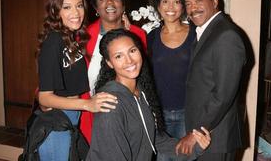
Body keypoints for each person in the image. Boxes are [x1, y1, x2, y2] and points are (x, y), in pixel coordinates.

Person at [86, 29, 211, 161]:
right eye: (118, 56)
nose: (129, 61)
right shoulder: (110, 103)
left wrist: (195, 146)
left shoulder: (140, 93)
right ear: (109, 63)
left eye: (132, 51)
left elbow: (153, 139)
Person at [36, 0, 117, 160]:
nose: (76, 12)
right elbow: (44, 97)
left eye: (79, 5)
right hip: (56, 124)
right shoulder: (54, 40)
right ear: (55, 11)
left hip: (70, 118)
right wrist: (87, 105)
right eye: (67, 7)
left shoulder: (72, 38)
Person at [176, 0, 246, 161]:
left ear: (214, 2)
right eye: (188, 4)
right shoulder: (208, 31)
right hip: (208, 130)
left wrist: (196, 132)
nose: (192, 8)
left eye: (198, 1)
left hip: (215, 135)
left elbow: (223, 95)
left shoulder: (226, 35)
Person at [80, 0, 147, 143]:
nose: (109, 3)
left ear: (123, 5)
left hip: (129, 114)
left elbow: (144, 77)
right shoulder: (83, 37)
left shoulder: (138, 35)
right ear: (96, 6)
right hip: (90, 113)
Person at [146, 0, 196, 161]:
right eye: (165, 1)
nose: (171, 6)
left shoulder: (196, 34)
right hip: (160, 114)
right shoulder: (151, 37)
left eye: (177, 1)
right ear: (158, 6)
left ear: (183, 6)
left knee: (185, 158)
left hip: (187, 112)